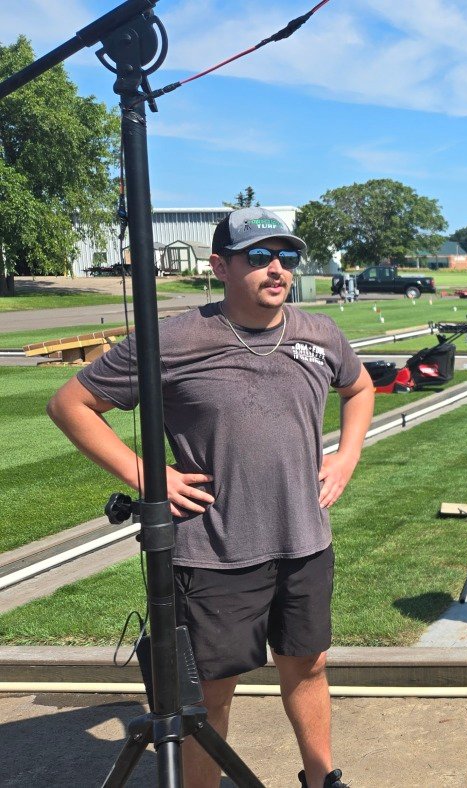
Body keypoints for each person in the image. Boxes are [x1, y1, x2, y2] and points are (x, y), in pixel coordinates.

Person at [48, 207, 373, 788]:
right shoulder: (172, 339)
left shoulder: (319, 333)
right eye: (258, 257)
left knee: (309, 666)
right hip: (213, 552)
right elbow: (71, 404)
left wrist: (346, 455)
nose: (276, 269)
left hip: (304, 541)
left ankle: (321, 778)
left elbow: (360, 386)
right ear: (220, 266)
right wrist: (146, 474)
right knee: (209, 697)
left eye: (286, 257)